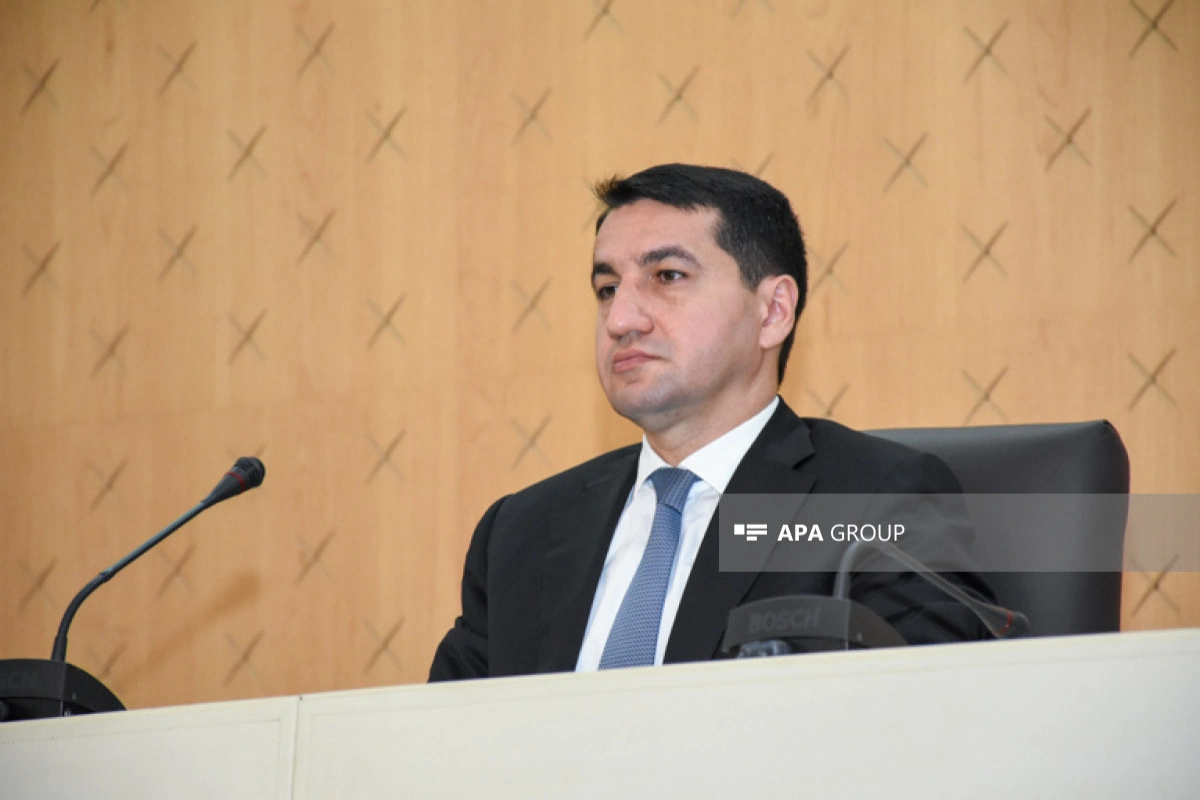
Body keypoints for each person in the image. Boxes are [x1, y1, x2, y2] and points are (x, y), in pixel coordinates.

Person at [429, 164, 994, 681]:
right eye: (607, 289)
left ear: (772, 312)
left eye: (668, 276)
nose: (620, 319)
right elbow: (443, 734)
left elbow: (923, 715)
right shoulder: (521, 533)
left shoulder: (869, 504)